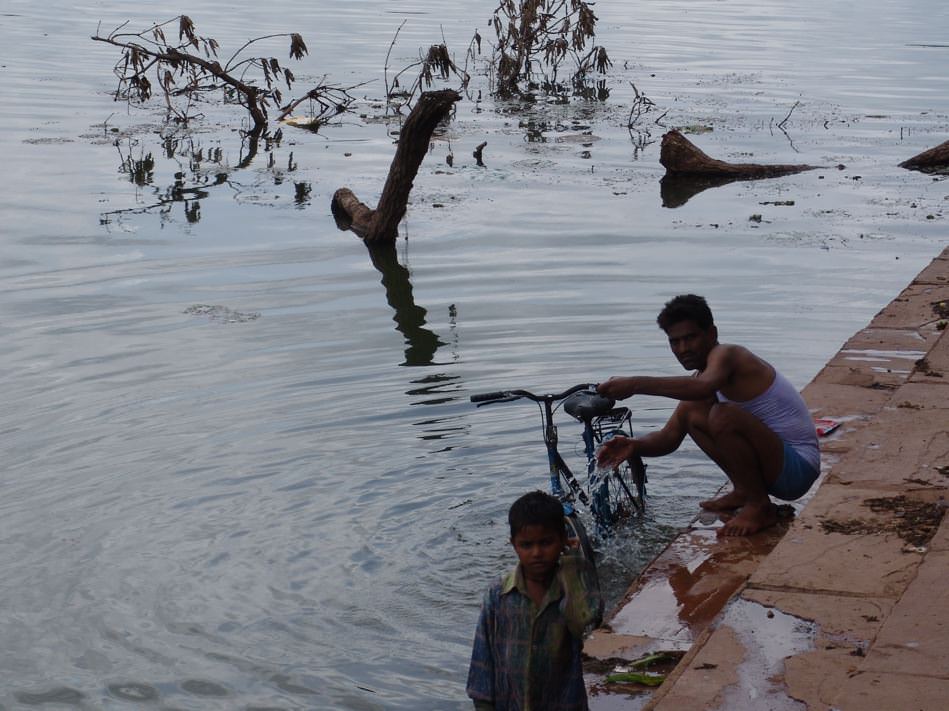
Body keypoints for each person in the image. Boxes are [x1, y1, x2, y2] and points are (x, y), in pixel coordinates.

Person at [596, 294, 819, 537]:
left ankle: (759, 506)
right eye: (675, 342)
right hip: (777, 466)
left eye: (690, 338)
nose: (683, 349)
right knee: (692, 412)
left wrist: (636, 384)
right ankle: (744, 491)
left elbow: (704, 387)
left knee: (724, 415)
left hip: (798, 468)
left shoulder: (729, 355)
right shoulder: (701, 379)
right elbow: (669, 437)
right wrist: (634, 446)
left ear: (711, 334)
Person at [466, 490, 603, 710]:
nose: (537, 553)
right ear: (514, 545)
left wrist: (573, 565)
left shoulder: (570, 588)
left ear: (562, 541)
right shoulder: (498, 594)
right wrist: (483, 704)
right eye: (527, 545)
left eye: (546, 542)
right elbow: (483, 659)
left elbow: (585, 620)